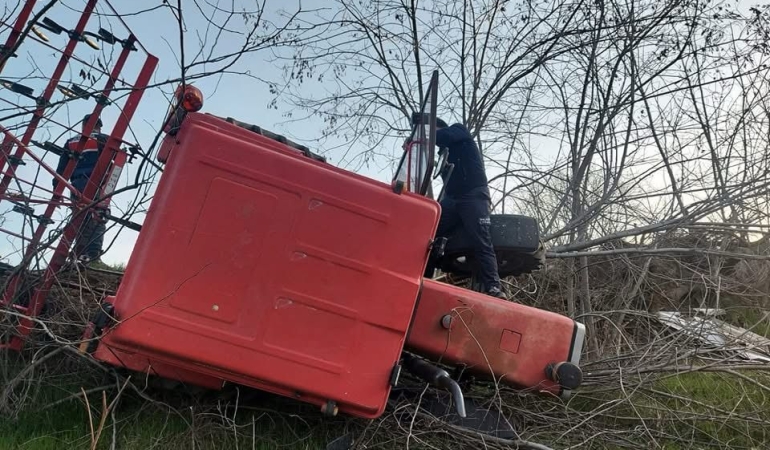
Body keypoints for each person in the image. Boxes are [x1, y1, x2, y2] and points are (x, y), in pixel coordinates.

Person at [428, 118, 505, 299]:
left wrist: (422, 136)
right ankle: (425, 277)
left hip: (473, 194)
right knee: (431, 232)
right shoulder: (442, 154)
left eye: (431, 130)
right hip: (453, 199)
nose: (432, 135)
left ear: (438, 128)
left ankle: (493, 286)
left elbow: (442, 136)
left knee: (481, 239)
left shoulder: (458, 131)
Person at [52, 114, 109, 265]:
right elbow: (116, 158)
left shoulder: (71, 142)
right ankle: (92, 255)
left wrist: (56, 190)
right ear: (98, 125)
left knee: (79, 218)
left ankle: (79, 255)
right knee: (99, 217)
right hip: (98, 183)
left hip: (76, 185)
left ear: (83, 125)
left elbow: (61, 169)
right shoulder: (103, 139)